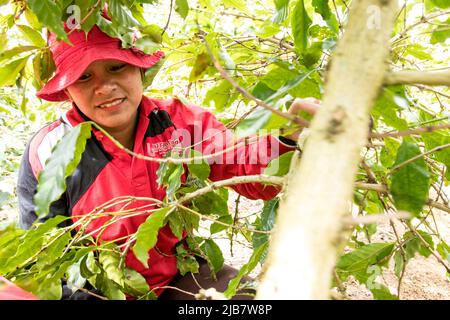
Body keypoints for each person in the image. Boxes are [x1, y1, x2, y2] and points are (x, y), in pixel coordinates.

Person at [16, 23, 320, 300]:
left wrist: (288, 135)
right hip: (97, 292)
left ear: (140, 69)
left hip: (180, 274)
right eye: (84, 76)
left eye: (116, 67)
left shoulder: (181, 124)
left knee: (249, 301)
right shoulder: (49, 151)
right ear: (66, 89)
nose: (105, 87)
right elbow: (45, 257)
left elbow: (250, 174)